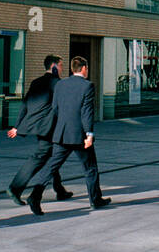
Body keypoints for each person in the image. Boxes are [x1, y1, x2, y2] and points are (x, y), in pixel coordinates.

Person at [24, 56, 109, 215]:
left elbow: (55, 108)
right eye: (87, 68)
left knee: (51, 166)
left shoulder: (60, 84)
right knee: (90, 168)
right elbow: (87, 112)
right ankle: (95, 199)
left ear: (72, 69)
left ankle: (35, 195)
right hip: (79, 136)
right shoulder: (87, 86)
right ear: (84, 68)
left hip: (61, 134)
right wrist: (89, 134)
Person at [6, 55, 74, 206]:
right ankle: (15, 188)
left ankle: (59, 190)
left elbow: (25, 104)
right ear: (54, 67)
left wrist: (17, 126)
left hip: (39, 127)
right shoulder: (57, 83)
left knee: (53, 156)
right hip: (49, 128)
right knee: (40, 157)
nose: (63, 69)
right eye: (61, 65)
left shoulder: (36, 82)